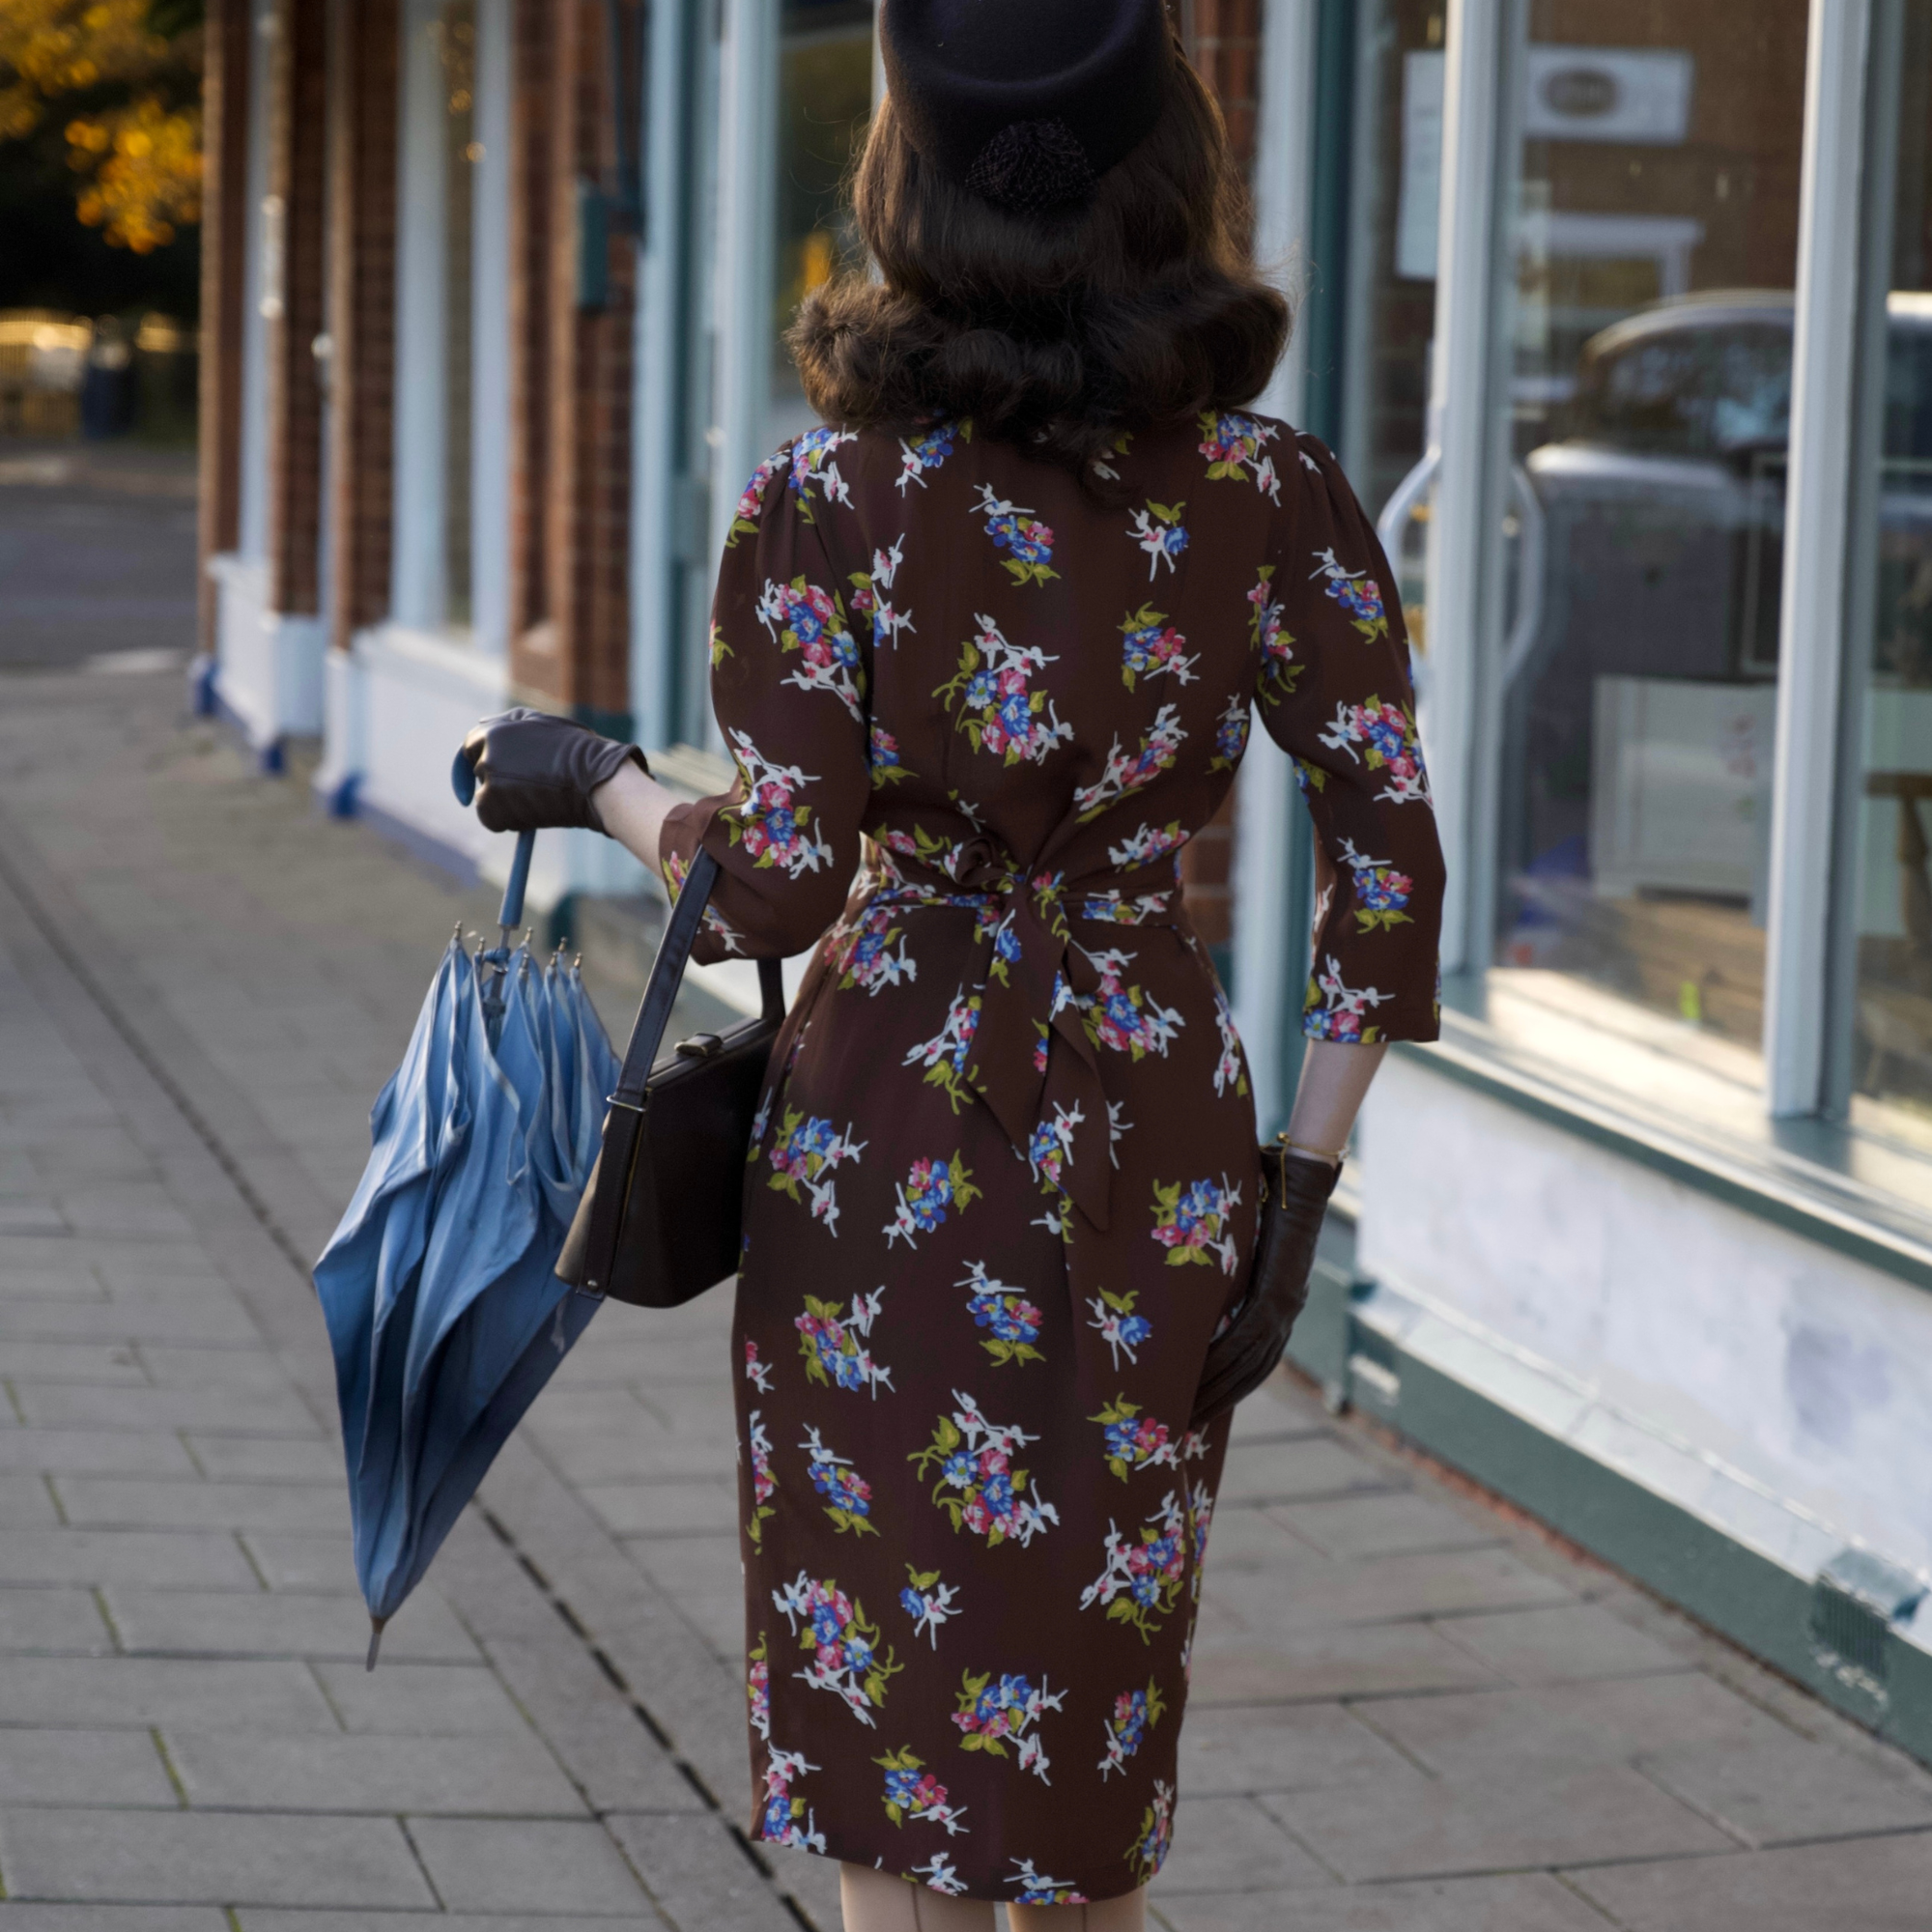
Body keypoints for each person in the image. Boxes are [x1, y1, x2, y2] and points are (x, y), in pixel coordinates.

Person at [459, 3, 1443, 1923]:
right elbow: (1386, 855)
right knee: (1089, 1727)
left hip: (880, 1137)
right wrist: (1304, 1187)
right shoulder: (1272, 491)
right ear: (1169, 175)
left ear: (905, 184)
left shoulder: (828, 501)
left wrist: (593, 780)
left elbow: (770, 891)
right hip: (1156, 1124)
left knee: (882, 1731)